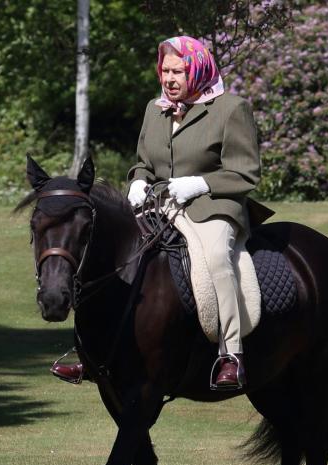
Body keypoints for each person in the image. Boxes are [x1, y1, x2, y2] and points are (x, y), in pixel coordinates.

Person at [52, 35, 272, 389]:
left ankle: (231, 354)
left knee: (217, 257)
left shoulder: (231, 109)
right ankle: (89, 353)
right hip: (160, 205)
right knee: (103, 250)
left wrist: (199, 184)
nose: (169, 79)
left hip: (211, 206)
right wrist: (137, 181)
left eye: (178, 72)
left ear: (198, 70)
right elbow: (144, 164)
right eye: (165, 71)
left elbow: (246, 173)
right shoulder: (155, 109)